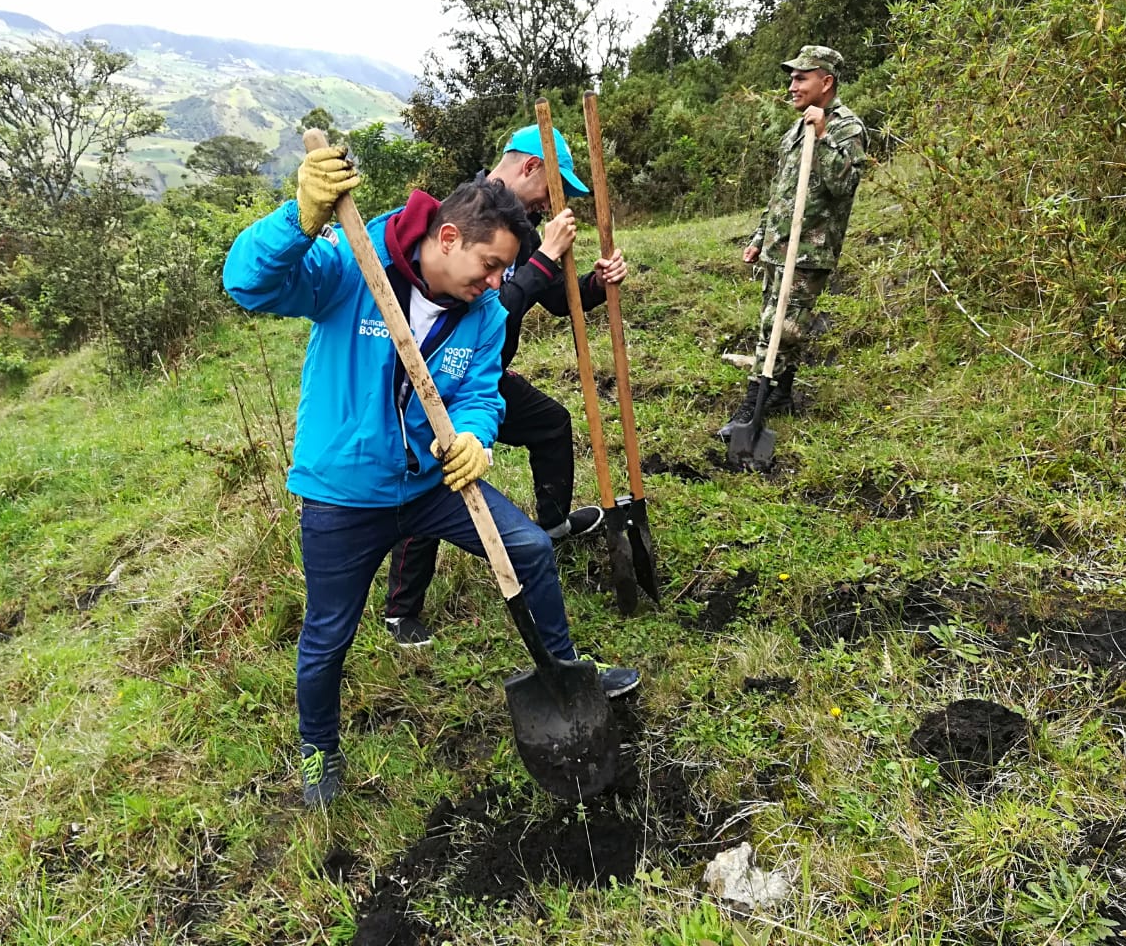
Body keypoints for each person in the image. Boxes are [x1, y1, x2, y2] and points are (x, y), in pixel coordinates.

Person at [222, 146, 640, 806]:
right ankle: (317, 755)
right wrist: (297, 219)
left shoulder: (485, 312)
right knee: (329, 635)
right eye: (491, 264)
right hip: (343, 495)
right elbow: (248, 283)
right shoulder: (352, 267)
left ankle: (562, 670)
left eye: (506, 268)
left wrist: (475, 434)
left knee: (529, 548)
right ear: (448, 237)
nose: (498, 280)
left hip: (430, 487)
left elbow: (480, 391)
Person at [383, 123, 629, 647]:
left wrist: (594, 282)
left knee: (550, 423)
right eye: (553, 186)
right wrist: (542, 261)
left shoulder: (528, 230)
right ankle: (401, 609)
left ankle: (552, 528)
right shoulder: (470, 216)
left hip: (485, 376)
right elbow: (496, 302)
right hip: (435, 376)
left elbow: (557, 300)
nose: (550, 202)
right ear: (530, 167)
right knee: (436, 476)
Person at [718, 45, 867, 440]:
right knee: (781, 323)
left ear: (826, 81)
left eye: (801, 77)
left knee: (779, 327)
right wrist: (758, 238)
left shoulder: (846, 129)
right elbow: (781, 193)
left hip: (810, 249)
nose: (792, 85)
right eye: (792, 77)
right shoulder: (795, 128)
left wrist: (821, 135)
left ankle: (753, 403)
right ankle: (782, 393)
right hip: (779, 247)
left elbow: (844, 184)